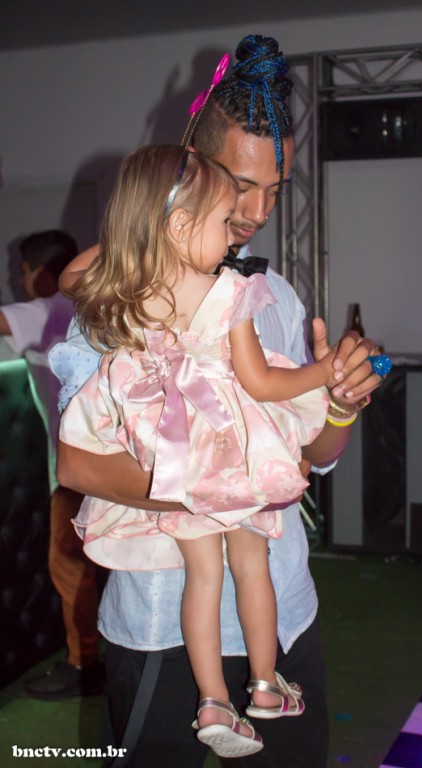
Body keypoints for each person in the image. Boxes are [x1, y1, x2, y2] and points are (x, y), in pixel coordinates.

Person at [55, 35, 383, 767]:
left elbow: (311, 458)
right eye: (241, 185)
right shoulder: (117, 299)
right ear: (193, 169)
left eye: (276, 189)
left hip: (283, 610)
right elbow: (76, 466)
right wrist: (216, 487)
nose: (258, 210)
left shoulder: (273, 295)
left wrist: (338, 400)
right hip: (161, 619)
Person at [0, 229, 105, 699]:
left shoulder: (45, 309)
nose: (18, 281)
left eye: (22, 272)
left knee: (69, 567)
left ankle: (84, 664)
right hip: (109, 465)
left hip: (76, 474)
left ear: (43, 274)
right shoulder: (90, 311)